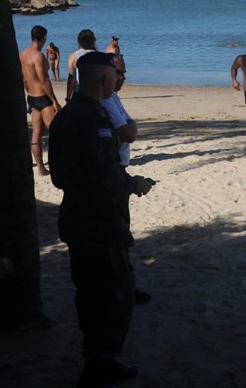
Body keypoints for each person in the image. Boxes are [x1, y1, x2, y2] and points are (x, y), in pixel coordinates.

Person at [48, 51, 154, 387]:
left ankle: (95, 354)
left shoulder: (65, 116)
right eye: (113, 76)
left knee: (89, 291)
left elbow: (60, 175)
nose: (116, 81)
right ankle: (101, 362)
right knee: (114, 293)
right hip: (98, 220)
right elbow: (101, 175)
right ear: (104, 79)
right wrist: (132, 184)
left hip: (76, 216)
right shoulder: (92, 118)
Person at [100, 56, 151, 306]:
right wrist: (131, 183)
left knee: (119, 235)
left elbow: (130, 128)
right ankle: (123, 290)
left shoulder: (113, 96)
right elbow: (129, 132)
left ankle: (123, 286)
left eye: (124, 72)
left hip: (119, 171)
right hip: (113, 174)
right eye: (118, 73)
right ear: (106, 76)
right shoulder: (105, 101)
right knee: (118, 235)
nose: (123, 77)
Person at [20, 25, 61, 176]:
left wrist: (28, 94)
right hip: (43, 98)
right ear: (44, 38)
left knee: (36, 133)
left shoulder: (23, 54)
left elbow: (24, 79)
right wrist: (54, 101)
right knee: (57, 132)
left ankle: (41, 168)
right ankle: (59, 164)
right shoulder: (38, 56)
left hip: (31, 97)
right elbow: (44, 81)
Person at [66, 29, 98, 101]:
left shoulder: (73, 56)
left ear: (79, 41)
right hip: (96, 94)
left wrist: (68, 98)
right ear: (93, 41)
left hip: (79, 93)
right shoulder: (99, 55)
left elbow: (71, 79)